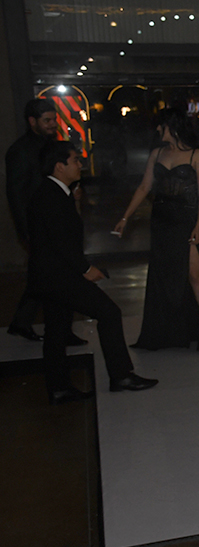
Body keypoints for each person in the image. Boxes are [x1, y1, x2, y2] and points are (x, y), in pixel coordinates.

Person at [28, 141, 158, 404]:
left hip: (49, 276)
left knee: (56, 330)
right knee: (109, 313)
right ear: (59, 166)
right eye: (75, 160)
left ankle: (59, 388)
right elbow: (61, 242)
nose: (80, 165)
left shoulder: (53, 192)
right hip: (60, 277)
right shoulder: (51, 197)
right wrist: (86, 269)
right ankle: (121, 375)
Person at [113, 108, 199, 351]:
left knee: (195, 275)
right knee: (163, 276)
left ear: (172, 127)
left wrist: (198, 225)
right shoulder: (157, 153)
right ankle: (168, 333)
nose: (157, 130)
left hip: (187, 220)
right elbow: (144, 187)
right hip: (162, 221)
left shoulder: (196, 155)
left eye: (161, 126)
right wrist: (125, 217)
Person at [5, 98, 88, 346]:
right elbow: (16, 196)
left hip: (55, 220)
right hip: (40, 224)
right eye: (47, 120)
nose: (53, 124)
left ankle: (32, 324)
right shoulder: (20, 151)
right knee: (53, 276)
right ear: (33, 122)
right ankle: (52, 329)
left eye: (54, 120)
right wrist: (26, 233)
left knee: (47, 276)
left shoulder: (53, 146)